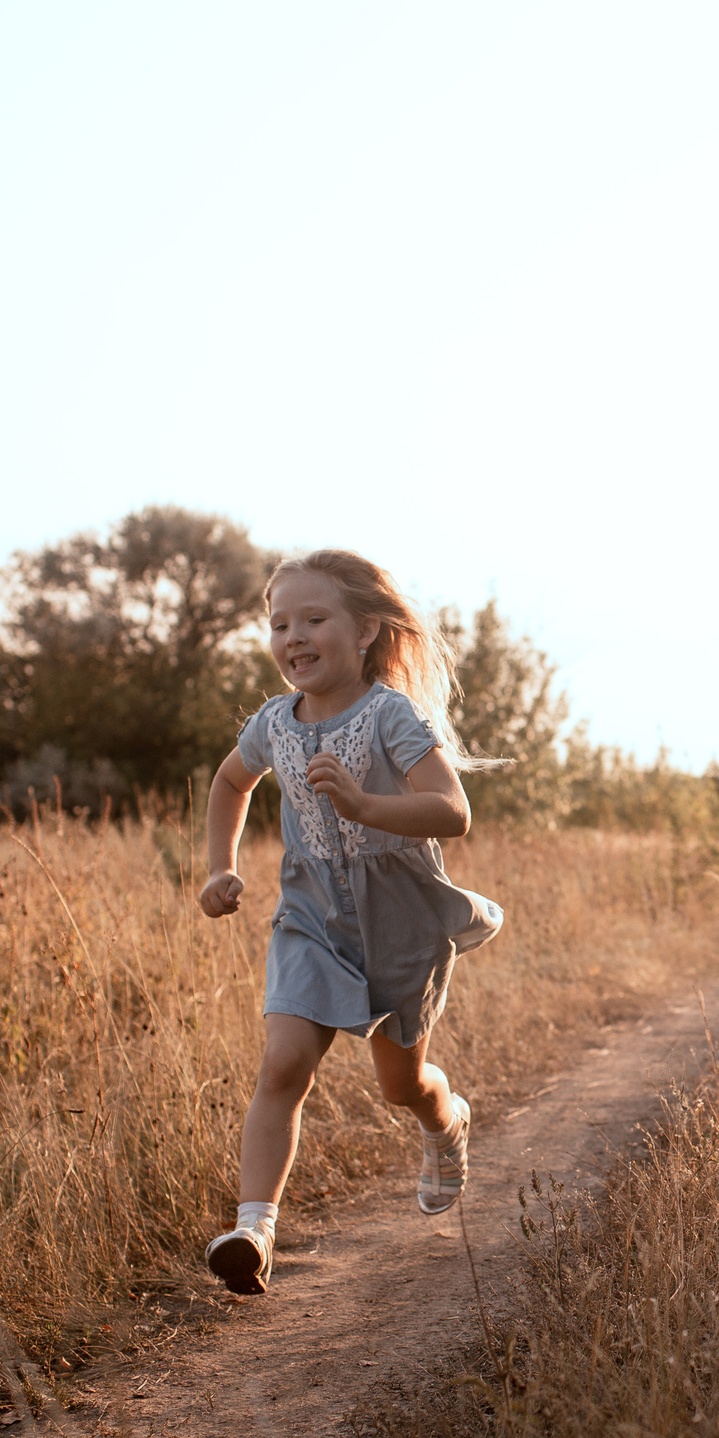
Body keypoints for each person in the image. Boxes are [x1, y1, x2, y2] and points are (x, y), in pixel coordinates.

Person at [196, 550, 503, 1295]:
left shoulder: (391, 715)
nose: (293, 636)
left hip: (399, 921)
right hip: (312, 918)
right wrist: (217, 866)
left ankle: (446, 1121)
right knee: (282, 1064)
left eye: (313, 618)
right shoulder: (274, 723)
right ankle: (253, 1230)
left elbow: (452, 810)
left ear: (365, 629)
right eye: (278, 623)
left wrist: (367, 806)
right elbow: (231, 779)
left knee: (402, 1086)